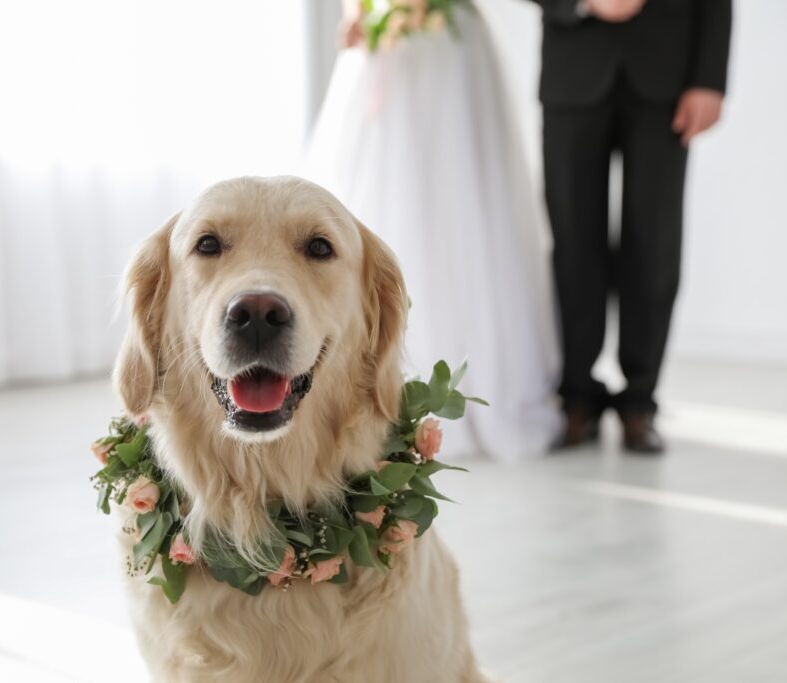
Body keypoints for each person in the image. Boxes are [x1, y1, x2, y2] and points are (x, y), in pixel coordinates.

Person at [303, 0, 561, 458]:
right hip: (384, 44)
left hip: (450, 45)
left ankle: (468, 381)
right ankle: (354, 389)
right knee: (379, 193)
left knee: (459, 200)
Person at [528, 0, 732, 453]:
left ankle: (640, 399)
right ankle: (576, 394)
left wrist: (710, 79)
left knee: (655, 241)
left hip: (669, 75)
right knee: (573, 242)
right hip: (572, 71)